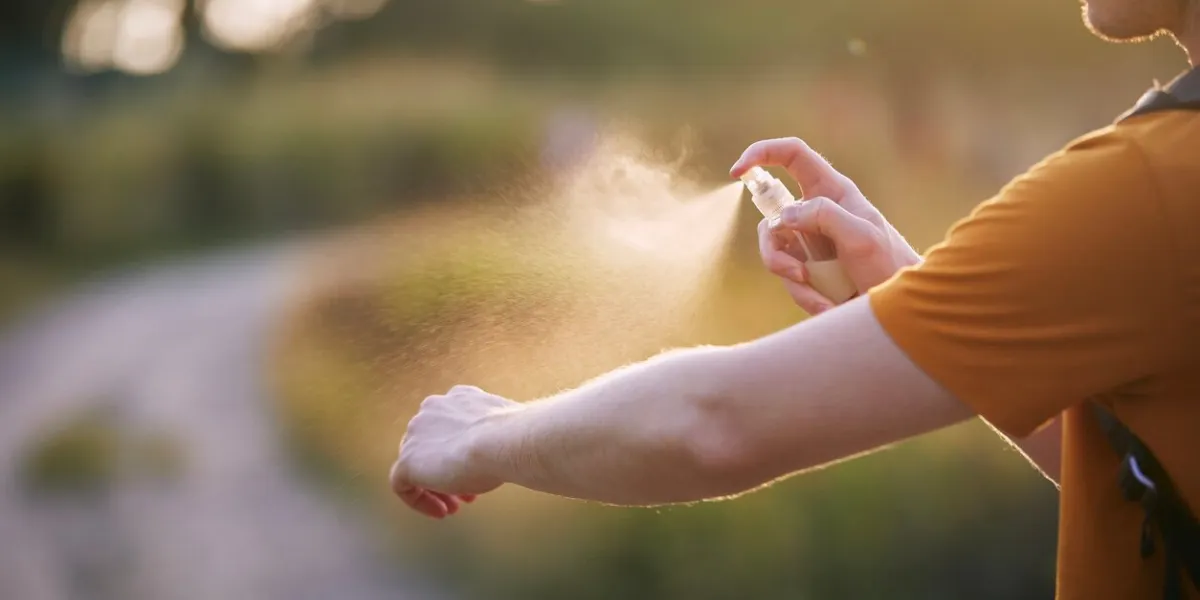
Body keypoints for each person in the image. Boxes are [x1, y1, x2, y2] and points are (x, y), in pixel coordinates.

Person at [389, 1, 1200, 598]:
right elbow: (1134, 470)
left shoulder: (1148, 186)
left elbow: (713, 425)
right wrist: (905, 296)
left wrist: (483, 434)